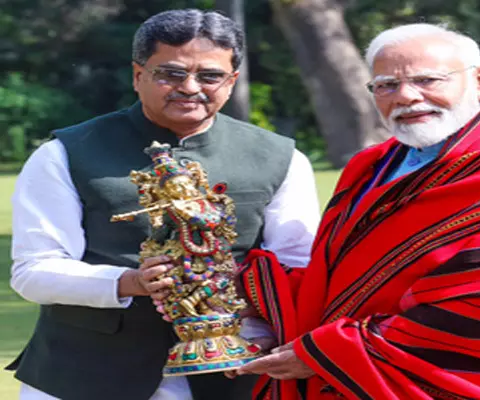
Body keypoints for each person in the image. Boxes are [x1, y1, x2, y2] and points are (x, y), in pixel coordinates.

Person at [230, 23, 480, 399]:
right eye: (386, 85)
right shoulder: (372, 166)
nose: (405, 96)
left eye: (428, 80)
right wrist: (247, 284)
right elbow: (340, 278)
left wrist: (335, 352)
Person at [7, 9, 320, 400]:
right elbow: (34, 270)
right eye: (170, 73)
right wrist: (131, 282)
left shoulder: (281, 157)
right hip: (88, 370)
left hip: (235, 369)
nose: (190, 87)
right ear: (138, 76)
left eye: (209, 76)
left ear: (231, 81)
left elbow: (299, 267)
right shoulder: (65, 153)